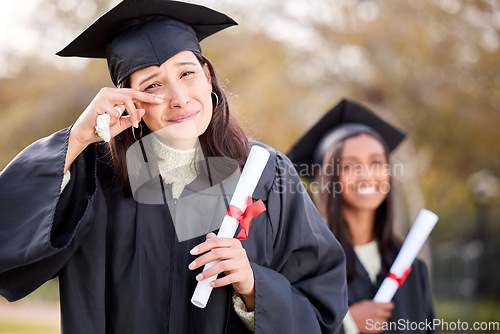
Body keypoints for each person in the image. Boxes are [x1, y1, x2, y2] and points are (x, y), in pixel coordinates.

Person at [0, 1, 348, 333]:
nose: (179, 97)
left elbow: (321, 309)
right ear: (128, 99)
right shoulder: (94, 178)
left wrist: (254, 286)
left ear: (208, 76)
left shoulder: (266, 174)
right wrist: (76, 139)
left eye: (187, 73)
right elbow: (7, 249)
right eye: (152, 85)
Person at [288, 99, 436, 334]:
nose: (367, 175)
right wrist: (346, 325)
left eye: (377, 162)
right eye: (349, 166)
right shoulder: (306, 264)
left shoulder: (411, 267)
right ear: (328, 179)